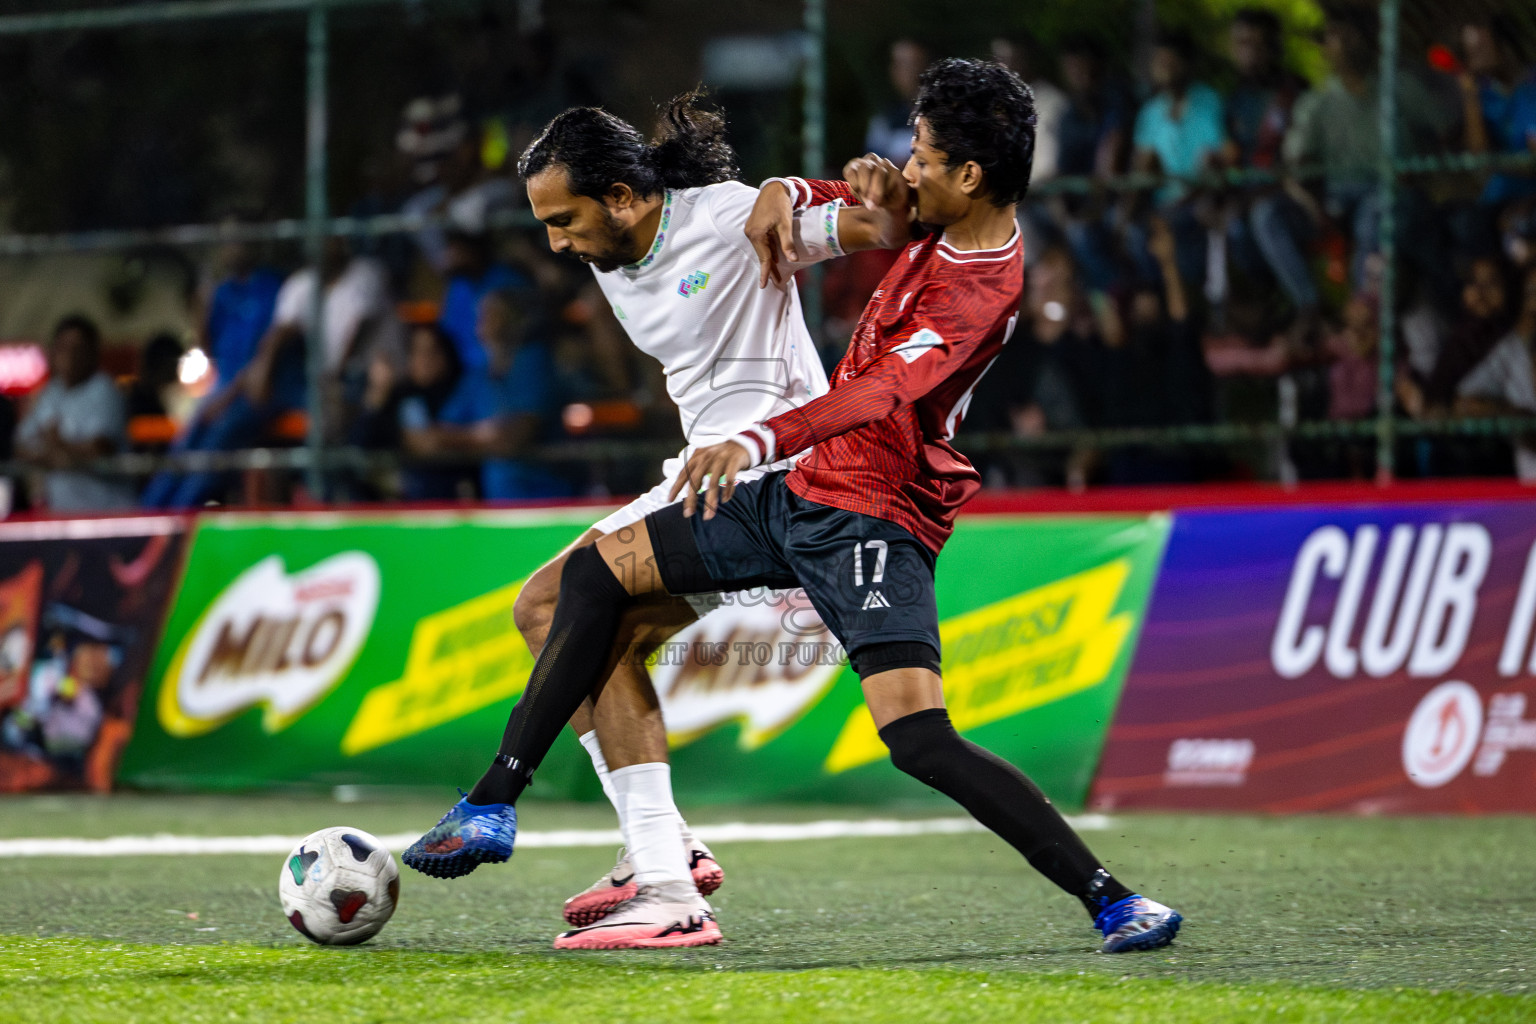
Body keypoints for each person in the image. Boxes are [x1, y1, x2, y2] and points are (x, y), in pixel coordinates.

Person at [404, 59, 1182, 957]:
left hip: (865, 510)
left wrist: (760, 438)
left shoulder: (978, 288)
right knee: (579, 591)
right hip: (796, 488)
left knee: (921, 740)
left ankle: (1112, 897)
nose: (905, 166)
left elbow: (883, 389)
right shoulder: (946, 222)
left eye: (922, 154)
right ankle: (580, 834)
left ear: (969, 176)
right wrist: (792, 183)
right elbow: (878, 206)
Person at [405, 91, 833, 945]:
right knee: (548, 611)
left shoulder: (727, 217)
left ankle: (667, 885)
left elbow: (874, 224)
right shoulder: (612, 261)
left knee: (569, 607)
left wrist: (801, 190)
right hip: (702, 475)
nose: (556, 243)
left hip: (775, 475)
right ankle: (661, 851)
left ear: (622, 196)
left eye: (564, 219)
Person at [1125, 27, 1226, 290]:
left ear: (1187, 64)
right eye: (1159, 62)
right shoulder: (1150, 112)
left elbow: (1215, 158)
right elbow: (1143, 165)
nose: (1165, 68)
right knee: (1133, 231)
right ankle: (1155, 296)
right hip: (1163, 203)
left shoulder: (1208, 102)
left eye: (1171, 61)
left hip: (1199, 199)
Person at [16, 316, 134, 512]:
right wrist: (53, 451)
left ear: (92, 353)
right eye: (63, 347)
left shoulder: (105, 389)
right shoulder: (50, 393)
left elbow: (100, 447)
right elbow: (21, 446)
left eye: (78, 348)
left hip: (108, 513)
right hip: (64, 515)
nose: (70, 355)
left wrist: (58, 444)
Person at [438, 230, 530, 373]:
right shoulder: (459, 286)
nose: (451, 255)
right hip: (463, 372)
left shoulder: (509, 280)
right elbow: (447, 331)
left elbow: (519, 335)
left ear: (474, 250)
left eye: (458, 249)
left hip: (509, 367)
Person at [865, 38, 931, 164]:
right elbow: (872, 165)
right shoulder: (885, 121)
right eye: (899, 64)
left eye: (913, 64)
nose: (909, 72)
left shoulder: (946, 117)